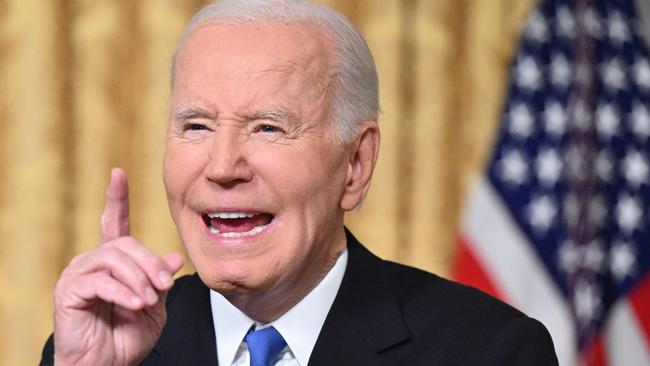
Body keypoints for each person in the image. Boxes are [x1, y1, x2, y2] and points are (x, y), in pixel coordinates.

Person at [41, 0, 558, 365]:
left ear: (355, 164)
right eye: (196, 125)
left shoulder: (486, 350)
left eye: (268, 127)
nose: (222, 166)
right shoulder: (109, 346)